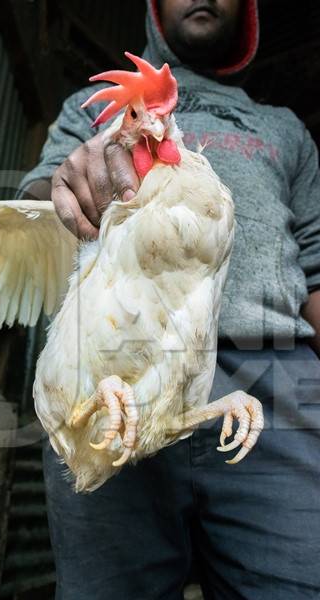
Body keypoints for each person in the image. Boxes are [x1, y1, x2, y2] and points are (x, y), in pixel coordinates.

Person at [18, 1, 320, 598]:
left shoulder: (284, 126)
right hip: (117, 367)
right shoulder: (96, 109)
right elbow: (40, 199)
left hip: (277, 379)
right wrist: (66, 187)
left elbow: (315, 264)